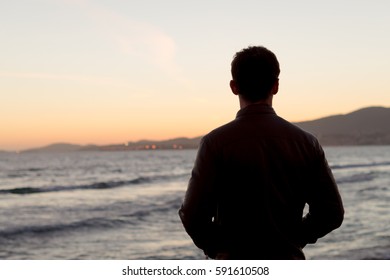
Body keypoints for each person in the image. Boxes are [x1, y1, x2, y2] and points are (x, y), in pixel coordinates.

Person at [178, 46, 344, 260]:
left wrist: (219, 249)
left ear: (233, 86)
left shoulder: (215, 143)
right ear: (275, 86)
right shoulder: (306, 143)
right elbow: (331, 212)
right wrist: (294, 239)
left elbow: (191, 216)